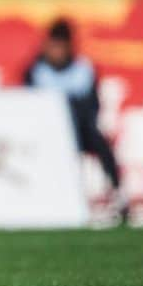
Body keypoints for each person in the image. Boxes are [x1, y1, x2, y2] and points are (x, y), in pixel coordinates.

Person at [24, 17, 128, 222]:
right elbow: (28, 106)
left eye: (60, 47)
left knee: (100, 143)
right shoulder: (36, 72)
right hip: (47, 131)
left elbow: (94, 106)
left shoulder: (83, 70)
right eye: (52, 46)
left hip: (80, 129)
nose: (56, 52)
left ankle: (118, 193)